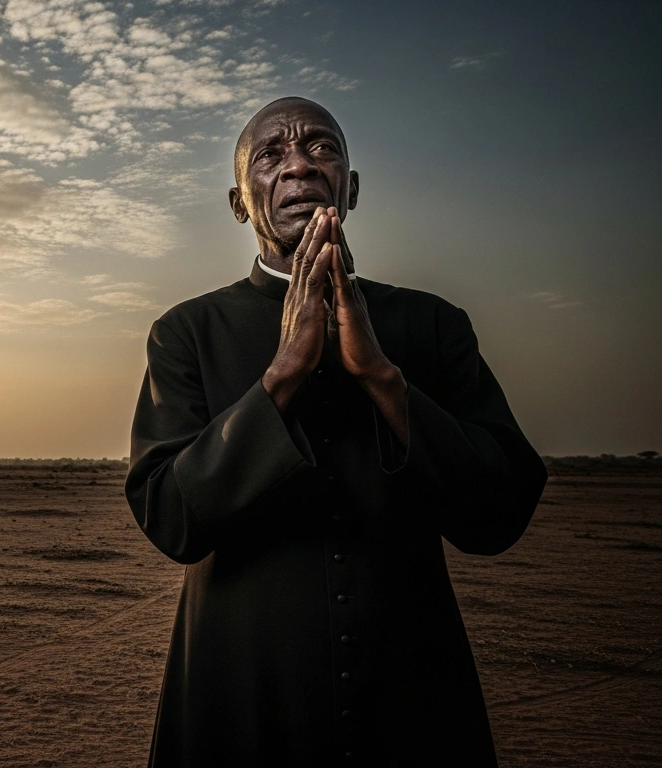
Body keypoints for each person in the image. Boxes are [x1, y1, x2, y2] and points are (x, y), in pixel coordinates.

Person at [125, 97, 546, 766]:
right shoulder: (186, 334)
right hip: (238, 698)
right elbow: (172, 520)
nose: (298, 166)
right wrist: (281, 377)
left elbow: (499, 515)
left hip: (413, 705)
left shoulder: (433, 326)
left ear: (350, 186)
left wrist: (383, 379)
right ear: (240, 202)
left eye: (321, 149)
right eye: (271, 155)